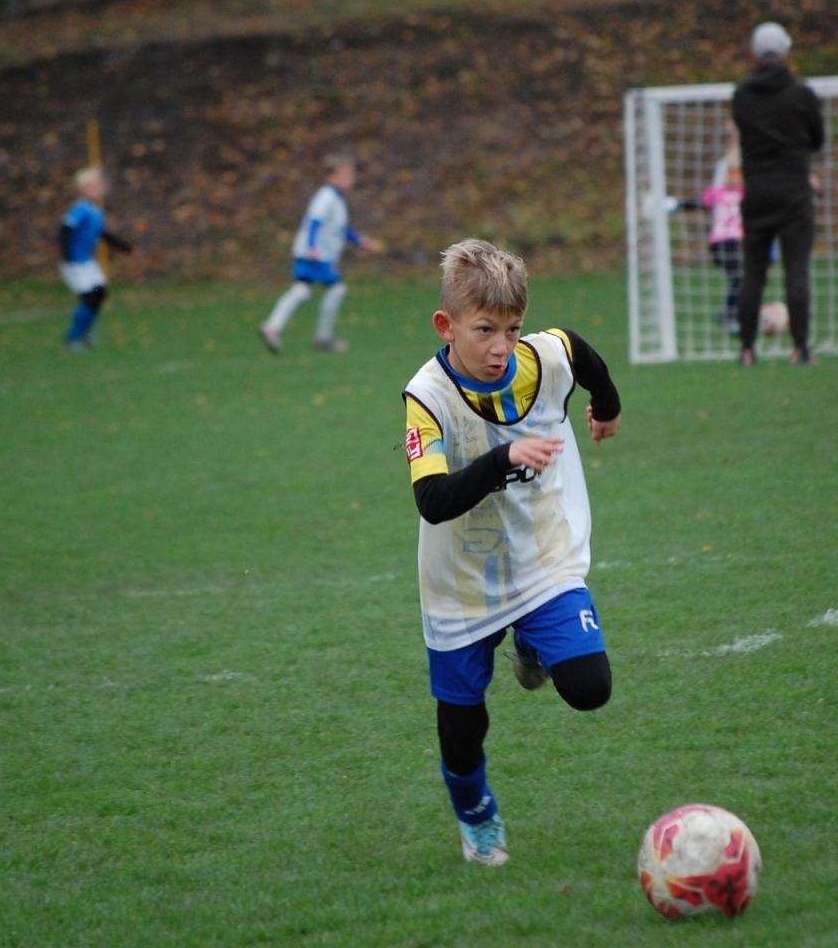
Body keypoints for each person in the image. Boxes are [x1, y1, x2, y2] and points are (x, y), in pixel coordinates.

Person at [402, 238, 622, 867]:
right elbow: (433, 501)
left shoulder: (542, 359)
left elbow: (580, 352)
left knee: (590, 687)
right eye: (484, 330)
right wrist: (502, 460)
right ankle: (476, 816)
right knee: (462, 727)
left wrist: (607, 408)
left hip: (544, 559)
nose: (501, 346)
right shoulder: (427, 397)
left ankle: (531, 641)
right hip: (460, 582)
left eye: (512, 328)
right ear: (446, 326)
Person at [730, 21, 825, 365]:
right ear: (786, 52)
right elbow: (817, 139)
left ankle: (746, 350)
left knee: (753, 273)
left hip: (757, 192)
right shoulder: (801, 93)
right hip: (794, 192)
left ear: (755, 54)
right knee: (796, 270)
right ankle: (800, 348)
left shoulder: (742, 94)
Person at [259, 150, 383, 354]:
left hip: (314, 254)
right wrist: (312, 247)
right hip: (316, 255)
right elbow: (313, 222)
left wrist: (360, 241)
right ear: (332, 176)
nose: (351, 179)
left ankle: (272, 327)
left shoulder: (335, 198)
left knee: (302, 290)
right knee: (336, 289)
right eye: (346, 175)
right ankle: (322, 337)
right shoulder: (326, 197)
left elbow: (340, 228)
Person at [57, 167, 132, 351]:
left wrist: (123, 246)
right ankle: (73, 338)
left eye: (98, 186)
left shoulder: (95, 211)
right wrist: (66, 255)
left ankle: (84, 331)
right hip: (75, 262)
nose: (96, 189)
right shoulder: (80, 208)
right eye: (92, 186)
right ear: (82, 189)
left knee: (99, 294)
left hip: (87, 262)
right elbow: (65, 230)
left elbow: (101, 234)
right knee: (89, 298)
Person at [699, 140, 746, 333]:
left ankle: (733, 313)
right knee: (740, 277)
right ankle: (731, 314)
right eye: (730, 173)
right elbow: (698, 202)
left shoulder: (744, 193)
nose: (734, 177)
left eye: (738, 173)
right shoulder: (716, 193)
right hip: (721, 243)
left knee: (742, 278)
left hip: (740, 242)